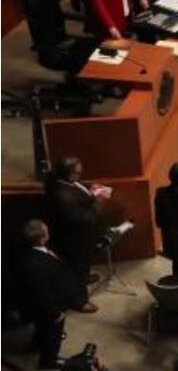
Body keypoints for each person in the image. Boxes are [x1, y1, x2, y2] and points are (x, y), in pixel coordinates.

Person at [18, 220, 93, 369]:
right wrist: (55, 314)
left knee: (42, 329)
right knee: (52, 335)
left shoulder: (31, 252)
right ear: (42, 238)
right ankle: (48, 360)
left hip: (45, 306)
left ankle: (37, 343)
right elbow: (41, 294)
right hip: (52, 308)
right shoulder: (34, 265)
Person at [45, 157, 106, 292]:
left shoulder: (66, 180)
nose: (79, 176)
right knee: (78, 264)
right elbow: (86, 218)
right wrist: (98, 201)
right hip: (75, 237)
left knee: (84, 262)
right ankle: (79, 295)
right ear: (67, 173)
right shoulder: (62, 195)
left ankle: (84, 277)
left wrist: (90, 188)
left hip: (82, 234)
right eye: (77, 173)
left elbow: (77, 187)